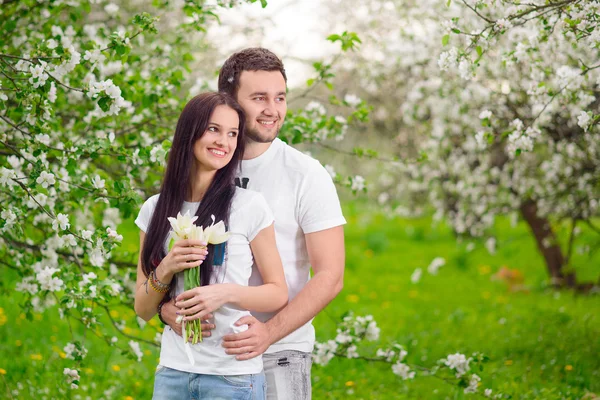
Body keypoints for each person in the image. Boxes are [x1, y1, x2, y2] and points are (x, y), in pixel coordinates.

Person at [161, 48, 347, 399]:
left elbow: (330, 276)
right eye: (259, 97)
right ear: (228, 101)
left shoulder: (306, 175)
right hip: (204, 360)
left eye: (279, 98)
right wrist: (165, 309)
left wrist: (268, 333)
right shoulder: (203, 168)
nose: (272, 110)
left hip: (280, 353)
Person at [134, 92, 288, 400]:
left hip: (232, 377)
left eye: (232, 133)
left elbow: (277, 291)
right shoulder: (153, 210)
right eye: (214, 129)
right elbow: (142, 308)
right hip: (173, 374)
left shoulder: (249, 206)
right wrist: (166, 270)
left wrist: (225, 293)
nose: (224, 142)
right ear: (190, 132)